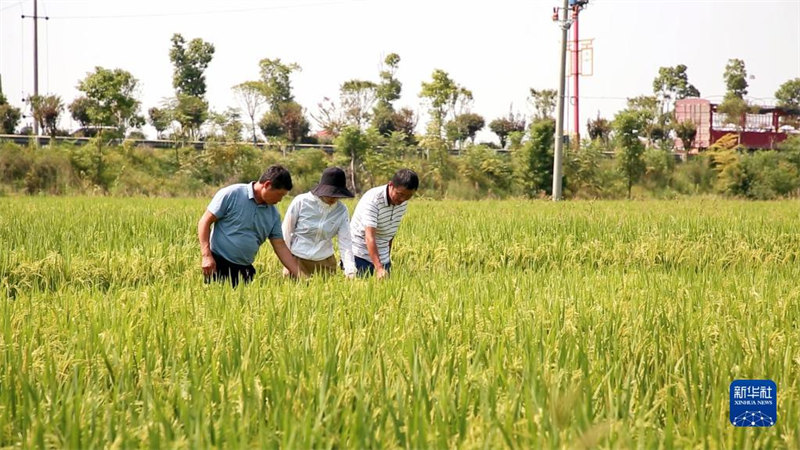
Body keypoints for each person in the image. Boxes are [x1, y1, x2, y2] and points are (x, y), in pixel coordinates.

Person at [198, 165, 300, 287]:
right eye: (279, 194)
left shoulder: (273, 214)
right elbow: (205, 221)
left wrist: (301, 276)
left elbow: (280, 245)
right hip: (218, 264)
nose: (280, 200)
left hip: (244, 270)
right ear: (267, 185)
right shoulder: (232, 194)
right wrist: (206, 256)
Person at [281, 167, 357, 277]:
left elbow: (345, 241)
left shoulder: (341, 210)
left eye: (336, 195)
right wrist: (287, 264)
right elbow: (286, 233)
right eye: (329, 193)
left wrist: (350, 270)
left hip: (325, 262)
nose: (332, 198)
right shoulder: (301, 202)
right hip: (298, 260)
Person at [350, 168, 418, 279]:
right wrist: (379, 268)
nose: (402, 199)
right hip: (360, 255)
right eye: (399, 194)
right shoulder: (373, 200)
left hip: (382, 257)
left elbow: (390, 233)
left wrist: (386, 260)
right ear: (391, 185)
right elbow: (369, 237)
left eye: (408, 196)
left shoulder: (403, 203)